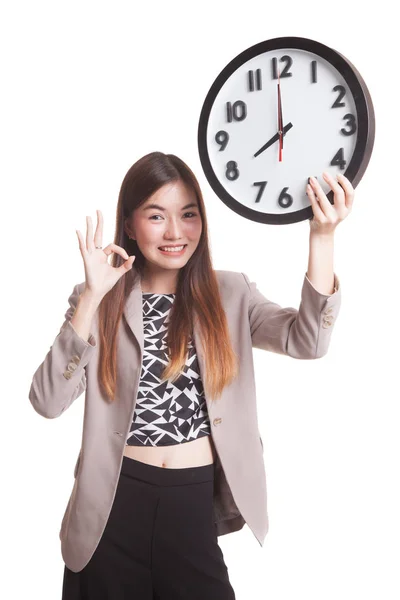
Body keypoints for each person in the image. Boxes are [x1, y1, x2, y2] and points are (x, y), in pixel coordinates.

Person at [28, 151, 354, 599]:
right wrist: (90, 300)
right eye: (156, 216)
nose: (176, 233)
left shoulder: (230, 294)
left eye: (188, 214)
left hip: (191, 503)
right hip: (111, 511)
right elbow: (47, 400)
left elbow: (309, 341)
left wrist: (321, 236)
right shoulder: (99, 300)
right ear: (130, 225)